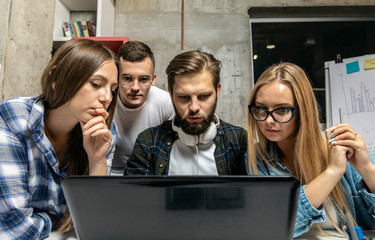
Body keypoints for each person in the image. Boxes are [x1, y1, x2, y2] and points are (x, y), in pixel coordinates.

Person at [0, 38, 119, 239]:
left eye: (113, 89)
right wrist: (57, 221)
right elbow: (17, 228)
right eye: (96, 84)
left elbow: (97, 224)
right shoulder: (14, 117)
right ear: (56, 77)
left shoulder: (104, 132)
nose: (107, 97)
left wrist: (97, 159)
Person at [246, 62, 375, 237]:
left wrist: (366, 167)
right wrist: (332, 172)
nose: (268, 120)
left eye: (282, 109)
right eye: (261, 109)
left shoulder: (338, 146)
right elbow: (274, 226)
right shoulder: (258, 159)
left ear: (303, 110)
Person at [125, 50, 247, 175]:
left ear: (218, 91)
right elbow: (135, 194)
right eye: (183, 97)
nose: (194, 107)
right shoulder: (148, 143)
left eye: (204, 96)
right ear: (171, 93)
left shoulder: (239, 141)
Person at [111, 41, 174, 175]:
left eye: (143, 79)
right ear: (116, 78)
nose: (135, 87)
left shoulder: (166, 102)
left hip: (149, 175)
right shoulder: (105, 101)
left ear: (153, 79)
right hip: (110, 175)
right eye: (127, 78)